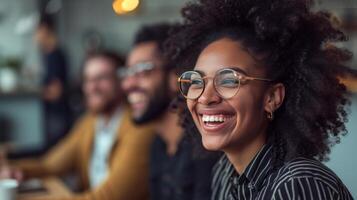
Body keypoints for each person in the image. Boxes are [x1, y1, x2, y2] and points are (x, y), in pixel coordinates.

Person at [166, 0, 354, 199]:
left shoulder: (296, 183)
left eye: (229, 80)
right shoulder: (224, 173)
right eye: (196, 81)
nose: (205, 97)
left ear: (272, 97)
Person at [0, 51, 156, 200]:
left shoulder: (139, 126)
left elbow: (108, 198)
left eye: (102, 78)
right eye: (88, 79)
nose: (92, 87)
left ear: (123, 81)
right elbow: (50, 165)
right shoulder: (90, 122)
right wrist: (17, 170)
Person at [120, 23, 217, 200]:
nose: (127, 84)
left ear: (175, 77)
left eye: (142, 71)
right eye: (127, 73)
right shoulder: (158, 144)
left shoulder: (205, 147)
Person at [35, 14, 71, 150]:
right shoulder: (48, 55)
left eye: (37, 31)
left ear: (44, 29)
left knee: (56, 151)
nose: (36, 36)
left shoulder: (55, 56)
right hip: (54, 113)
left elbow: (56, 92)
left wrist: (36, 94)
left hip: (58, 114)